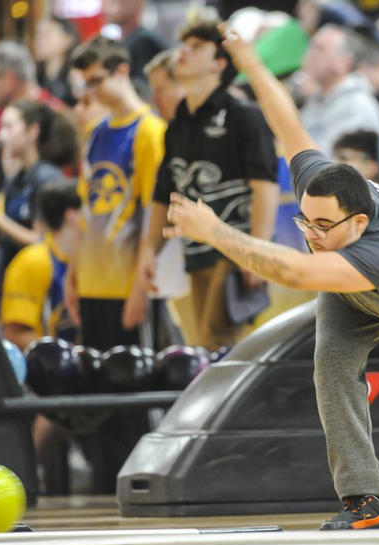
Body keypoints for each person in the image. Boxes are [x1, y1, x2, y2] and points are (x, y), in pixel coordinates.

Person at [159, 23, 379, 531]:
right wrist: (250, 61)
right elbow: (286, 125)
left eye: (322, 226)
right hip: (357, 281)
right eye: (305, 220)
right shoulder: (327, 191)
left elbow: (293, 269)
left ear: (358, 222)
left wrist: (217, 232)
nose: (311, 232)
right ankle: (367, 501)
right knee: (331, 365)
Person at [67, 36, 167, 494]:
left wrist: (139, 285)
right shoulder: (95, 132)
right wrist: (72, 271)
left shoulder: (148, 130)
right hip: (91, 277)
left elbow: (154, 210)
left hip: (127, 277)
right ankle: (105, 483)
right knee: (99, 390)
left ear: (123, 70)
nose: (89, 93)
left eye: (96, 81)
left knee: (133, 391)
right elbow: (88, 210)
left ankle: (140, 483)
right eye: (85, 84)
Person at [142, 19, 279, 351]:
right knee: (206, 349)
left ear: (219, 64)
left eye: (197, 47)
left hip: (234, 250)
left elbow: (265, 186)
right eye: (184, 45)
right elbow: (165, 195)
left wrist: (257, 253)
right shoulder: (177, 126)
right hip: (195, 251)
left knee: (217, 344)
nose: (184, 52)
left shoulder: (242, 115)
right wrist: (149, 252)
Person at [0, 100, 65, 270]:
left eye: (8, 127)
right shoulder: (17, 178)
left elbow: (40, 239)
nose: (1, 135)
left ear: (32, 131)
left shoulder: (47, 178)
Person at [0, 180, 80, 351]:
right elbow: (15, 334)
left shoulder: (88, 261)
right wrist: (68, 357)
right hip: (47, 370)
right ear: (72, 215)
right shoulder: (33, 261)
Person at [299, 24, 379, 156]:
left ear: (344, 62)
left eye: (319, 49)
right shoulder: (315, 100)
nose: (309, 55)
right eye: (311, 47)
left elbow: (345, 167)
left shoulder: (357, 105)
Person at [34, 17, 81, 107]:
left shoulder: (76, 74)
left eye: (46, 35)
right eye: (38, 35)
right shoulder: (35, 74)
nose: (39, 41)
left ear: (67, 39)